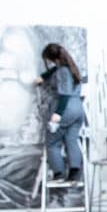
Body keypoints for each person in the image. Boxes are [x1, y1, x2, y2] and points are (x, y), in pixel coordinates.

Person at [34, 43, 85, 182]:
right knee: (71, 139)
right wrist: (44, 76)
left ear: (54, 60)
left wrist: (57, 114)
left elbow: (64, 94)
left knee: (52, 142)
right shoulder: (70, 68)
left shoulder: (62, 72)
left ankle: (59, 173)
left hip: (65, 109)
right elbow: (53, 71)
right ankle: (74, 172)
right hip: (78, 110)